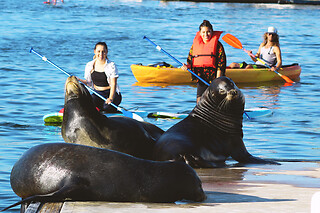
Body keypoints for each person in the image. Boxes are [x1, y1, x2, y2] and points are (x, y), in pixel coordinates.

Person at [181, 20, 226, 103]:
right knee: (199, 102)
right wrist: (186, 66)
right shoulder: (195, 45)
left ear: (212, 32)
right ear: (200, 33)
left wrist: (217, 81)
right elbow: (190, 61)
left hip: (214, 78)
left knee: (214, 101)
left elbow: (221, 64)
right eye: (203, 32)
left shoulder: (218, 45)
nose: (206, 35)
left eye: (208, 32)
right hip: (201, 77)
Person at [78, 42, 122, 113]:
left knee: (107, 107)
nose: (101, 54)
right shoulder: (89, 65)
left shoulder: (111, 66)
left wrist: (110, 98)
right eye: (98, 51)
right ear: (94, 51)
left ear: (106, 52)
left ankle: (113, 111)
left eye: (103, 51)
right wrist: (77, 80)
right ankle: (100, 110)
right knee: (86, 106)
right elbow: (88, 82)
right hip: (97, 94)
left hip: (111, 93)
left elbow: (113, 84)